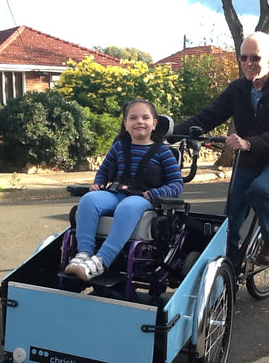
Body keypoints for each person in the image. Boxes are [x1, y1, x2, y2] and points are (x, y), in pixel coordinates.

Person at [172, 32, 269, 266]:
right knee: (229, 222)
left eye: (255, 57)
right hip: (249, 159)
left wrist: (249, 143)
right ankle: (229, 272)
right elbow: (208, 116)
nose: (249, 63)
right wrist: (169, 133)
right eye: (243, 58)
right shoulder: (237, 88)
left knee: (260, 189)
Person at [65, 99, 184, 281]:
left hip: (145, 198)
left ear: (154, 123)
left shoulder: (164, 153)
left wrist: (154, 194)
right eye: (133, 118)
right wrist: (98, 184)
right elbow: (103, 171)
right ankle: (84, 254)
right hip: (116, 192)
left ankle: (101, 261)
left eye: (145, 117)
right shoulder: (119, 147)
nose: (139, 121)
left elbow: (177, 184)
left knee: (127, 206)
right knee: (89, 200)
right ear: (126, 124)